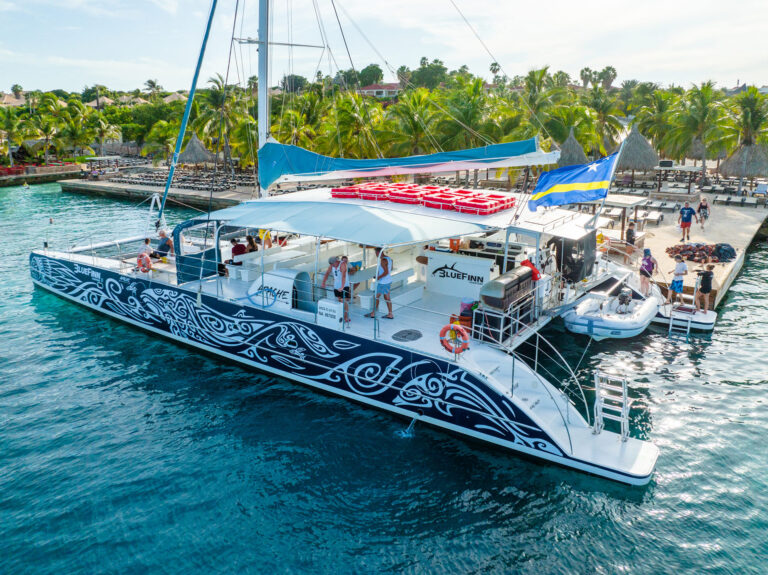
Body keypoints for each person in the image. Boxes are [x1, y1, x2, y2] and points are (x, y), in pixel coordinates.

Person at [366, 247, 394, 319]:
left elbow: (386, 272)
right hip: (387, 281)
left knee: (376, 297)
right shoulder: (389, 258)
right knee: (386, 297)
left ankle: (373, 313)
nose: (375, 254)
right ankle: (390, 314)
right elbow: (390, 268)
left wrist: (379, 277)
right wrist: (378, 275)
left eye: (376, 253)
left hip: (383, 282)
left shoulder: (383, 260)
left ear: (379, 252)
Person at [321, 256, 351, 323]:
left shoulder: (343, 264)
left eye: (332, 264)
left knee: (344, 301)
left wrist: (342, 286)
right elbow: (327, 273)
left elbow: (344, 276)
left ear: (336, 261)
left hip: (345, 285)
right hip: (336, 286)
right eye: (331, 264)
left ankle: (346, 317)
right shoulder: (332, 265)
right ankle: (341, 315)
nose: (331, 265)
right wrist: (323, 282)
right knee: (339, 300)